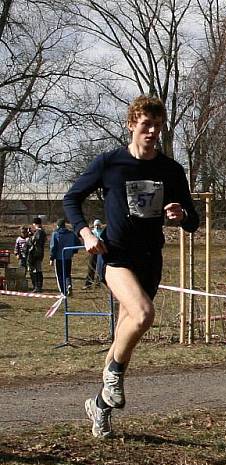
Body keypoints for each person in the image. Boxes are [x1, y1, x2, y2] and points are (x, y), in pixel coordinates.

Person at [63, 95, 199, 439]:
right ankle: (113, 373)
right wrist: (84, 233)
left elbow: (192, 218)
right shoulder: (110, 163)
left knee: (126, 331)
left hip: (150, 259)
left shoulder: (171, 170)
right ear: (132, 125)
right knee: (142, 314)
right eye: (146, 125)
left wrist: (182, 215)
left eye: (157, 125)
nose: (152, 131)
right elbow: (71, 198)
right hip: (116, 256)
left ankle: (100, 406)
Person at [49, 218, 81, 295]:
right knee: (67, 273)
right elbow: (78, 242)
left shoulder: (56, 234)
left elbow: (53, 246)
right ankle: (68, 285)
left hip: (59, 257)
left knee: (59, 275)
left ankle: (63, 292)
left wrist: (51, 257)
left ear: (58, 225)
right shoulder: (71, 233)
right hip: (68, 257)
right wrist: (73, 251)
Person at [27, 217, 47, 292]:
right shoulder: (40, 232)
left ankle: (38, 286)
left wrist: (31, 236)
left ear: (35, 224)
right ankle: (37, 286)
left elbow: (35, 241)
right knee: (37, 270)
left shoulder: (40, 232)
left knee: (37, 270)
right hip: (38, 253)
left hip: (36, 253)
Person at [83, 219, 104, 288]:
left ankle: (98, 283)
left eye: (98, 225)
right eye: (96, 225)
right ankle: (88, 283)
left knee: (99, 268)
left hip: (100, 252)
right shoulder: (92, 232)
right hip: (93, 252)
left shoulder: (103, 232)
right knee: (91, 268)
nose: (97, 226)